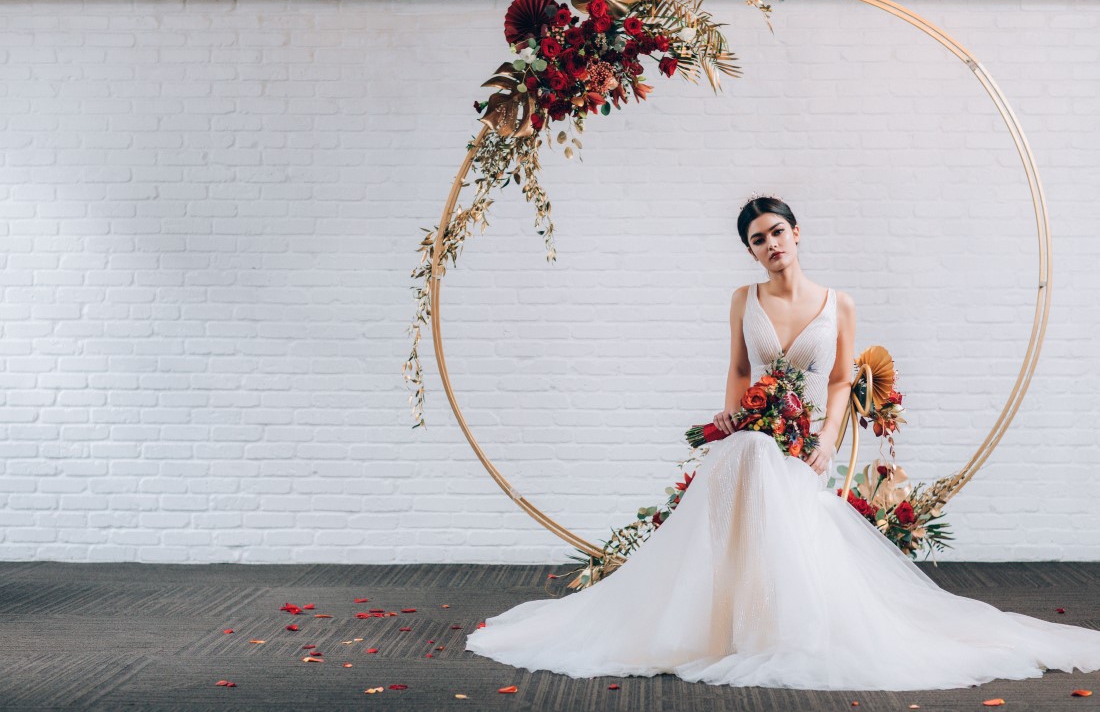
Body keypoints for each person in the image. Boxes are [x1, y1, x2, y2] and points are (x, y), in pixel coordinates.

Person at [464, 196, 1100, 690]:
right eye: (756, 239)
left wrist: (826, 440)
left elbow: (843, 377)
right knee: (746, 456)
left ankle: (777, 624)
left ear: (798, 234)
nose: (769, 244)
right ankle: (724, 623)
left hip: (805, 446)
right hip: (758, 435)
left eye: (776, 232)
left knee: (770, 469)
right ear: (751, 251)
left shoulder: (837, 303)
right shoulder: (744, 298)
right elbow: (741, 369)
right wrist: (735, 414)